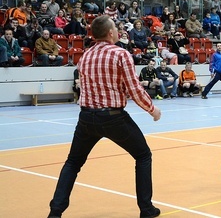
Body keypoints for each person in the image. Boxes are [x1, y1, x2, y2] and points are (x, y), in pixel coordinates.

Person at [47, 15, 162, 218]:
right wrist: (152, 110)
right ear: (110, 33)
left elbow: (96, 87)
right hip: (113, 117)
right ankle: (146, 209)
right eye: (116, 28)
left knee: (73, 163)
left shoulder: (85, 56)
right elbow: (134, 89)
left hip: (86, 118)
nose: (118, 31)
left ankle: (55, 211)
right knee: (143, 156)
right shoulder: (121, 54)